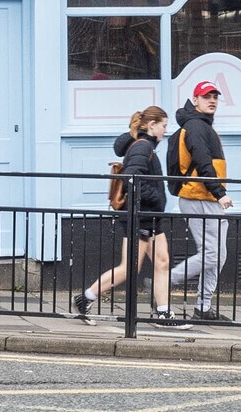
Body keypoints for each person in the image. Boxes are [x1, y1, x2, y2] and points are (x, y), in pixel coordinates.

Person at [75, 107, 188, 328]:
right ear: (151, 125)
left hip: (149, 216)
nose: (165, 131)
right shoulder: (143, 147)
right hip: (139, 217)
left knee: (162, 261)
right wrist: (156, 198)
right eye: (163, 126)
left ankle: (163, 314)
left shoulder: (145, 146)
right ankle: (85, 298)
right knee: (129, 268)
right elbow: (132, 179)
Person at [165, 80, 233, 322]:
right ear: (195, 101)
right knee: (212, 254)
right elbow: (203, 162)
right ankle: (165, 283)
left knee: (218, 255)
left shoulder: (203, 125)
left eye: (215, 96)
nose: (212, 100)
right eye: (206, 96)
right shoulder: (195, 126)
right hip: (199, 196)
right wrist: (220, 192)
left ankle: (203, 308)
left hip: (206, 197)